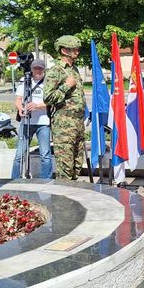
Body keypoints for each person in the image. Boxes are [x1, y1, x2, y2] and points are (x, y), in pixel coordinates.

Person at [44, 35, 86, 180]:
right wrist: (66, 86)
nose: (77, 51)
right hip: (64, 125)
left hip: (78, 123)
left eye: (77, 49)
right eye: (73, 49)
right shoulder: (56, 71)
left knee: (77, 165)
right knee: (65, 166)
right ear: (64, 51)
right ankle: (63, 200)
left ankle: (72, 196)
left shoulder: (74, 70)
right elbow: (48, 98)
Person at [11, 59, 52, 179]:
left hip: (43, 122)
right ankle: (14, 179)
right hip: (26, 122)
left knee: (45, 154)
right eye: (35, 68)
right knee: (19, 154)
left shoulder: (48, 83)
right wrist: (20, 108)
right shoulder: (25, 81)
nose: (37, 70)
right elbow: (18, 99)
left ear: (44, 70)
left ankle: (46, 180)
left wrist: (37, 106)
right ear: (32, 69)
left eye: (40, 68)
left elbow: (52, 102)